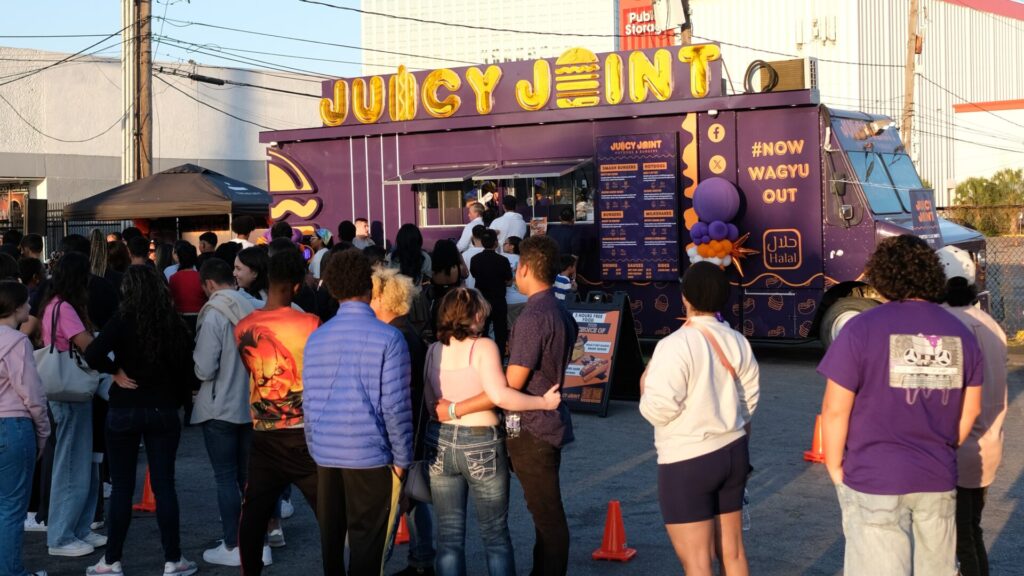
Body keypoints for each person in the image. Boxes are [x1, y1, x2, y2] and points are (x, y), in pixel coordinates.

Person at [818, 235, 983, 576]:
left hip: (873, 476)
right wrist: (941, 446)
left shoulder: (860, 328)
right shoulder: (960, 333)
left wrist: (835, 467)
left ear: (883, 275)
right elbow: (971, 411)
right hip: (936, 474)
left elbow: (835, 410)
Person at [437, 235, 577, 575]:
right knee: (544, 515)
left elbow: (509, 386)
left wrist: (457, 408)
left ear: (525, 268)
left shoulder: (533, 317)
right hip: (545, 422)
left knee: (546, 516)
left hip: (532, 427)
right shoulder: (559, 308)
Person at [639, 262, 760, 574]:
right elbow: (749, 400)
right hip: (733, 450)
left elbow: (660, 409)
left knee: (697, 561)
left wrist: (643, 389)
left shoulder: (673, 345)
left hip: (687, 458)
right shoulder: (738, 340)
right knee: (733, 554)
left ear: (685, 298)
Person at [83, 265, 198, 576]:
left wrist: (115, 372)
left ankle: (111, 560)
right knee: (165, 486)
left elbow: (92, 353)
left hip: (124, 408)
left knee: (121, 487)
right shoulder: (173, 323)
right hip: (162, 409)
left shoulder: (121, 320)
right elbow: (188, 370)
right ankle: (173, 559)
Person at [303, 248, 412, 575]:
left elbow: (309, 401)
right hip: (370, 455)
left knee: (332, 543)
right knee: (368, 547)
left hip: (326, 453)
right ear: (369, 287)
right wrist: (402, 458)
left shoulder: (317, 338)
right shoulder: (390, 338)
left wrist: (314, 445)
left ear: (333, 290)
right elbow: (394, 405)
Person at [234, 246, 321, 576]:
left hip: (264, 434)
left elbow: (252, 372)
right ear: (297, 286)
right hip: (305, 435)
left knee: (254, 515)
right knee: (329, 514)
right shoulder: (312, 323)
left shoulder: (243, 328)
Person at [935, 245, 1008, 576]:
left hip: (956, 448)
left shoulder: (946, 326)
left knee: (958, 539)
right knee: (971, 532)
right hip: (989, 447)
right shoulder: (991, 325)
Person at [368, 267, 435, 576]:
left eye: (372, 296)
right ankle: (421, 559)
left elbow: (400, 397)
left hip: (406, 431)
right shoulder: (404, 332)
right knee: (415, 497)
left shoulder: (397, 337)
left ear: (385, 299)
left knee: (403, 499)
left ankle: (419, 560)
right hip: (414, 428)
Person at [38, 252, 106, 558]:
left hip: (68, 392)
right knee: (71, 465)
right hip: (71, 395)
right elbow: (86, 344)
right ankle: (62, 536)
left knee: (77, 463)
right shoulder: (65, 308)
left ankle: (74, 530)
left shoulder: (54, 305)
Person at [190, 258, 258, 566]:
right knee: (249, 479)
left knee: (225, 478)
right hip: (253, 404)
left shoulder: (215, 313)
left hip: (220, 407)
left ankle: (233, 544)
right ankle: (256, 541)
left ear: (209, 285)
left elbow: (205, 368)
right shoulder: (257, 305)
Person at [0, 281, 50, 576]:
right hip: (13, 426)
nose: (30, 307)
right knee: (10, 509)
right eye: (26, 303)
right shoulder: (16, 342)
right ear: (17, 307)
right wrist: (42, 431)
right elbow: (32, 393)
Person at [469, 229, 512, 356]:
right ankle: (499, 355)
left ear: (482, 242)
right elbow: (509, 281)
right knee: (501, 331)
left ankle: (483, 356)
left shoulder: (475, 259)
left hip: (482, 300)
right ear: (496, 243)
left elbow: (474, 274)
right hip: (498, 299)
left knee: (482, 330)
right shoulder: (502, 260)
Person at [168, 242, 207, 319]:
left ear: (180, 258)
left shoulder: (173, 278)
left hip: (180, 317)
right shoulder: (201, 276)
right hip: (201, 316)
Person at [501, 237, 528, 328]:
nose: (503, 245)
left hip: (510, 300)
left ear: (511, 246)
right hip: (526, 299)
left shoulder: (502, 258)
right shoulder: (525, 260)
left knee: (511, 330)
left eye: (505, 243)